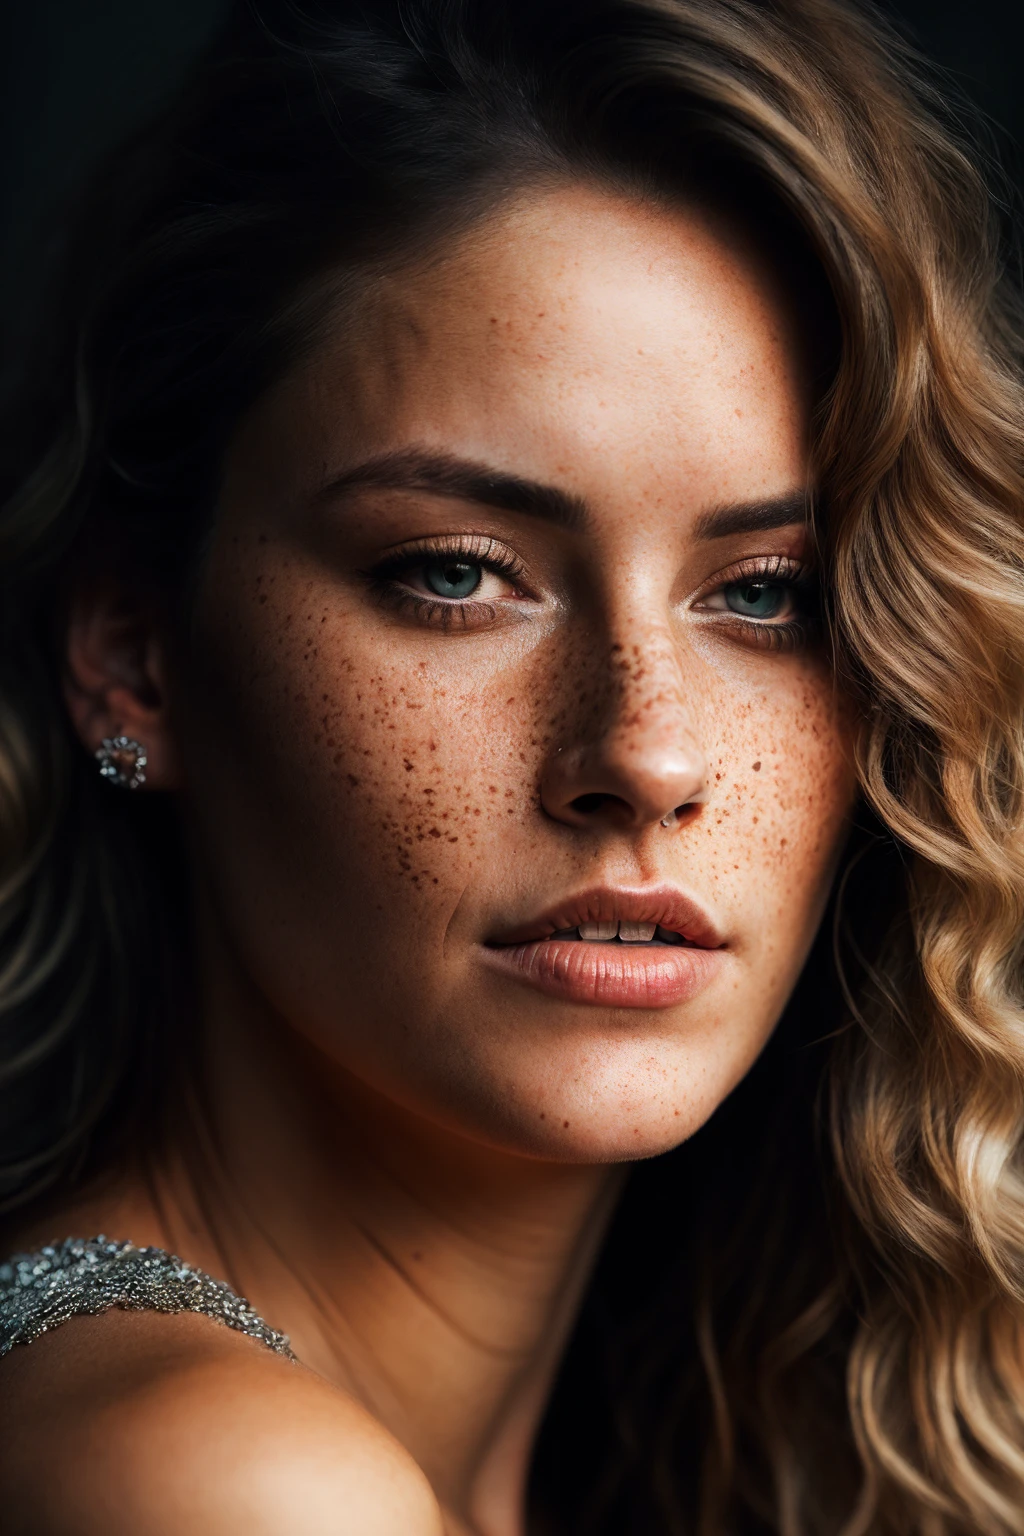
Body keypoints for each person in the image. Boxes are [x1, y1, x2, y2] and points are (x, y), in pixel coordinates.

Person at [1, 0, 1022, 1531]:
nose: (646, 752)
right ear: (137, 661)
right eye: (461, 573)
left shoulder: (651, 1447)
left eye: (764, 594)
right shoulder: (224, 1482)